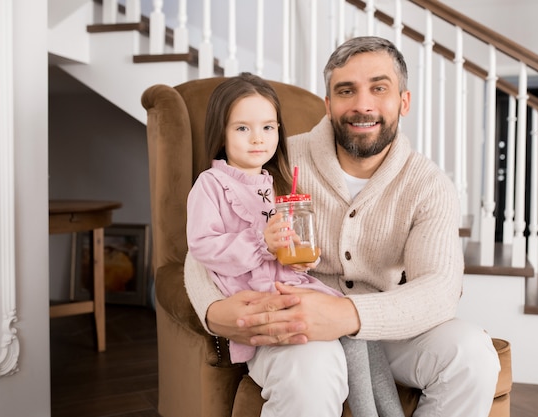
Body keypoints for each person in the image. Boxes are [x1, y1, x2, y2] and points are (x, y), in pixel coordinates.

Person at [185, 37, 501, 417]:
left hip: (385, 325)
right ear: (329, 104)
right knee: (312, 370)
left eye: (379, 88)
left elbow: (440, 290)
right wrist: (213, 310)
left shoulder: (428, 185)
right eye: (346, 90)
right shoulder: (278, 158)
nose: (362, 104)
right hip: (292, 319)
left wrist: (348, 315)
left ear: (404, 101)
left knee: (472, 355)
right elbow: (204, 245)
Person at [185, 73, 403, 417]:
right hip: (262, 303)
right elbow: (203, 247)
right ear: (221, 132)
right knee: (347, 338)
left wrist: (297, 258)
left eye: (268, 127)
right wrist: (261, 241)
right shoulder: (211, 185)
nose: (258, 138)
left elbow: (279, 250)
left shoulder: (275, 183)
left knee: (360, 332)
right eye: (242, 128)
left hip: (294, 288)